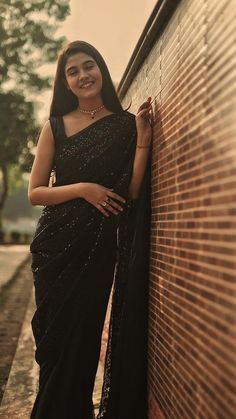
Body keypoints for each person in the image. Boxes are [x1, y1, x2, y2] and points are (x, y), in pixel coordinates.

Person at [28, 40, 153, 419]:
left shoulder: (123, 126)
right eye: (73, 71)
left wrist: (144, 138)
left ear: (102, 69)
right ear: (65, 82)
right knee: (54, 346)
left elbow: (130, 192)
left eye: (89, 66)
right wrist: (84, 189)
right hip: (54, 250)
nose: (83, 75)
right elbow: (35, 193)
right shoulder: (55, 127)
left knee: (81, 347)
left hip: (97, 250)